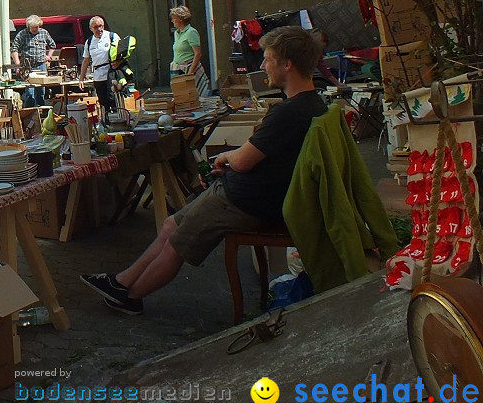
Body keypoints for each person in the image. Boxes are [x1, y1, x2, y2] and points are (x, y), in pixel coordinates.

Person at [79, 26, 326, 315]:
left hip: (248, 200)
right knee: (172, 223)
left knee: (177, 241)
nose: (262, 65)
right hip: (254, 193)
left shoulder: (287, 112)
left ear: (287, 64)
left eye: (268, 59)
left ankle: (131, 297)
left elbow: (244, 160)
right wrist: (231, 160)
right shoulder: (314, 104)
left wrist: (226, 159)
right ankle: (121, 282)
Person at [11, 14, 57, 107]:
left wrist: (49, 56)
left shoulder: (44, 33)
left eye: (37, 27)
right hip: (28, 67)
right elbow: (14, 49)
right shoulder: (22, 34)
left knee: (41, 91)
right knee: (30, 92)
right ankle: (29, 113)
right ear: (28, 26)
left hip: (41, 66)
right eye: (33, 27)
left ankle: (42, 113)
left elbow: (52, 45)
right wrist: (18, 64)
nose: (35, 29)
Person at [78, 16, 122, 114]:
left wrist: (118, 62)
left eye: (101, 26)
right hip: (98, 75)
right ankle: (106, 123)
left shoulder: (112, 36)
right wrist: (81, 79)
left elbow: (123, 52)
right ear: (91, 29)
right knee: (103, 102)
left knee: (113, 99)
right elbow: (86, 60)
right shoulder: (89, 41)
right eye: (96, 27)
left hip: (111, 72)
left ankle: (118, 122)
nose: (99, 29)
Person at [169, 6, 211, 97]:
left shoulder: (191, 32)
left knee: (192, 96)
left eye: (174, 19)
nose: (172, 21)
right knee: (181, 96)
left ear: (180, 19)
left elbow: (198, 53)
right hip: (178, 69)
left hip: (189, 68)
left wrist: (190, 73)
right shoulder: (177, 33)